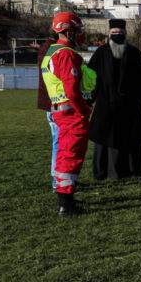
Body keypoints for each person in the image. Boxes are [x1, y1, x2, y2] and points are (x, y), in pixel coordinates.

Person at [40, 11, 96, 216]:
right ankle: (66, 203)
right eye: (78, 31)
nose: (81, 35)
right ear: (68, 32)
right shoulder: (66, 54)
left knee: (65, 154)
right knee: (71, 156)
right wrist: (83, 111)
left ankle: (65, 199)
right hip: (71, 113)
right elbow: (72, 89)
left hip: (61, 112)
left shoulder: (52, 53)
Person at [88, 19, 141, 179]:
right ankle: (103, 172)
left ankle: (133, 170)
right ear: (109, 34)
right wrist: (93, 98)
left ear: (125, 34)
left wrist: (137, 98)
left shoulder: (134, 53)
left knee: (131, 139)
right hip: (105, 105)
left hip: (130, 105)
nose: (117, 35)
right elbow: (90, 78)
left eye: (120, 33)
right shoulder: (100, 53)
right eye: (113, 33)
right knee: (105, 139)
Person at [37, 30, 59, 190]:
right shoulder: (54, 50)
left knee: (57, 141)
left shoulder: (44, 48)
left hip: (48, 102)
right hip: (55, 102)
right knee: (59, 143)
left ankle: (58, 178)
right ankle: (57, 179)